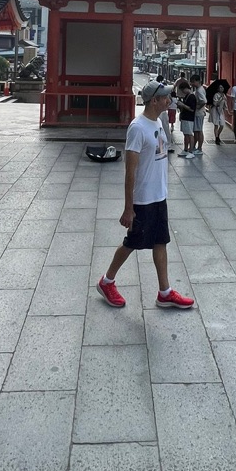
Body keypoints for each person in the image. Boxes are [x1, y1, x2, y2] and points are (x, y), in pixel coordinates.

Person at [96, 82, 194, 311]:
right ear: (154, 101)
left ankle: (165, 293)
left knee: (161, 241)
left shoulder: (158, 121)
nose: (169, 100)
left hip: (159, 196)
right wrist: (128, 207)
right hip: (143, 200)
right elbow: (130, 171)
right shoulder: (137, 128)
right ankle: (106, 281)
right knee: (132, 243)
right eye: (165, 97)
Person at [175, 79, 197, 158]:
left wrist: (183, 105)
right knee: (185, 134)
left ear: (185, 88)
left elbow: (192, 109)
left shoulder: (192, 97)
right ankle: (185, 149)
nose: (182, 92)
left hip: (189, 118)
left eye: (182, 90)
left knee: (190, 134)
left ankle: (191, 151)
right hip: (184, 117)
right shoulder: (186, 96)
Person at [207, 78, 229, 145]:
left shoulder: (224, 95)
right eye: (220, 87)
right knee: (216, 125)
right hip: (215, 111)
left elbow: (225, 104)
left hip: (221, 111)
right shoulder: (216, 95)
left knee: (222, 125)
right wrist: (221, 99)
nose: (221, 88)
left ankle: (218, 135)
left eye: (222, 87)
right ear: (218, 89)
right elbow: (215, 104)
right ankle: (216, 138)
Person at [190, 73, 207, 153]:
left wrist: (198, 107)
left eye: (193, 82)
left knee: (199, 130)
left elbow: (204, 101)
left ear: (198, 81)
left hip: (199, 113)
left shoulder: (199, 90)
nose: (192, 84)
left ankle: (199, 148)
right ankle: (196, 147)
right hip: (199, 113)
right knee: (197, 130)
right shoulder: (199, 89)